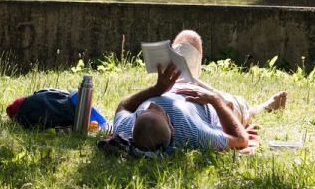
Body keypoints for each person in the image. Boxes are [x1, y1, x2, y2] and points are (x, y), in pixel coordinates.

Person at [113, 30, 287, 152]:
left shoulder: (128, 128)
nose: (153, 105)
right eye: (158, 111)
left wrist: (157, 89)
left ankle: (193, 76)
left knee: (190, 38)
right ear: (172, 129)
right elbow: (241, 140)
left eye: (145, 110)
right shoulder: (194, 133)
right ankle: (265, 107)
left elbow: (123, 106)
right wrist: (214, 100)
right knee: (240, 107)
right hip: (212, 103)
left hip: (174, 85)